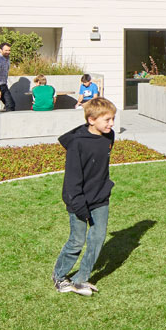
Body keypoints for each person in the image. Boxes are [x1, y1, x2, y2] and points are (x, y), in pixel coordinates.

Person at [53, 97, 117, 296]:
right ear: (91, 120)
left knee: (97, 238)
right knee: (77, 240)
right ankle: (59, 276)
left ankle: (81, 279)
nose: (111, 124)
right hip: (78, 200)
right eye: (107, 120)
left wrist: (104, 188)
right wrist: (80, 206)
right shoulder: (77, 144)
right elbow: (72, 179)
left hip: (100, 198)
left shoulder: (109, 136)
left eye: (113, 119)